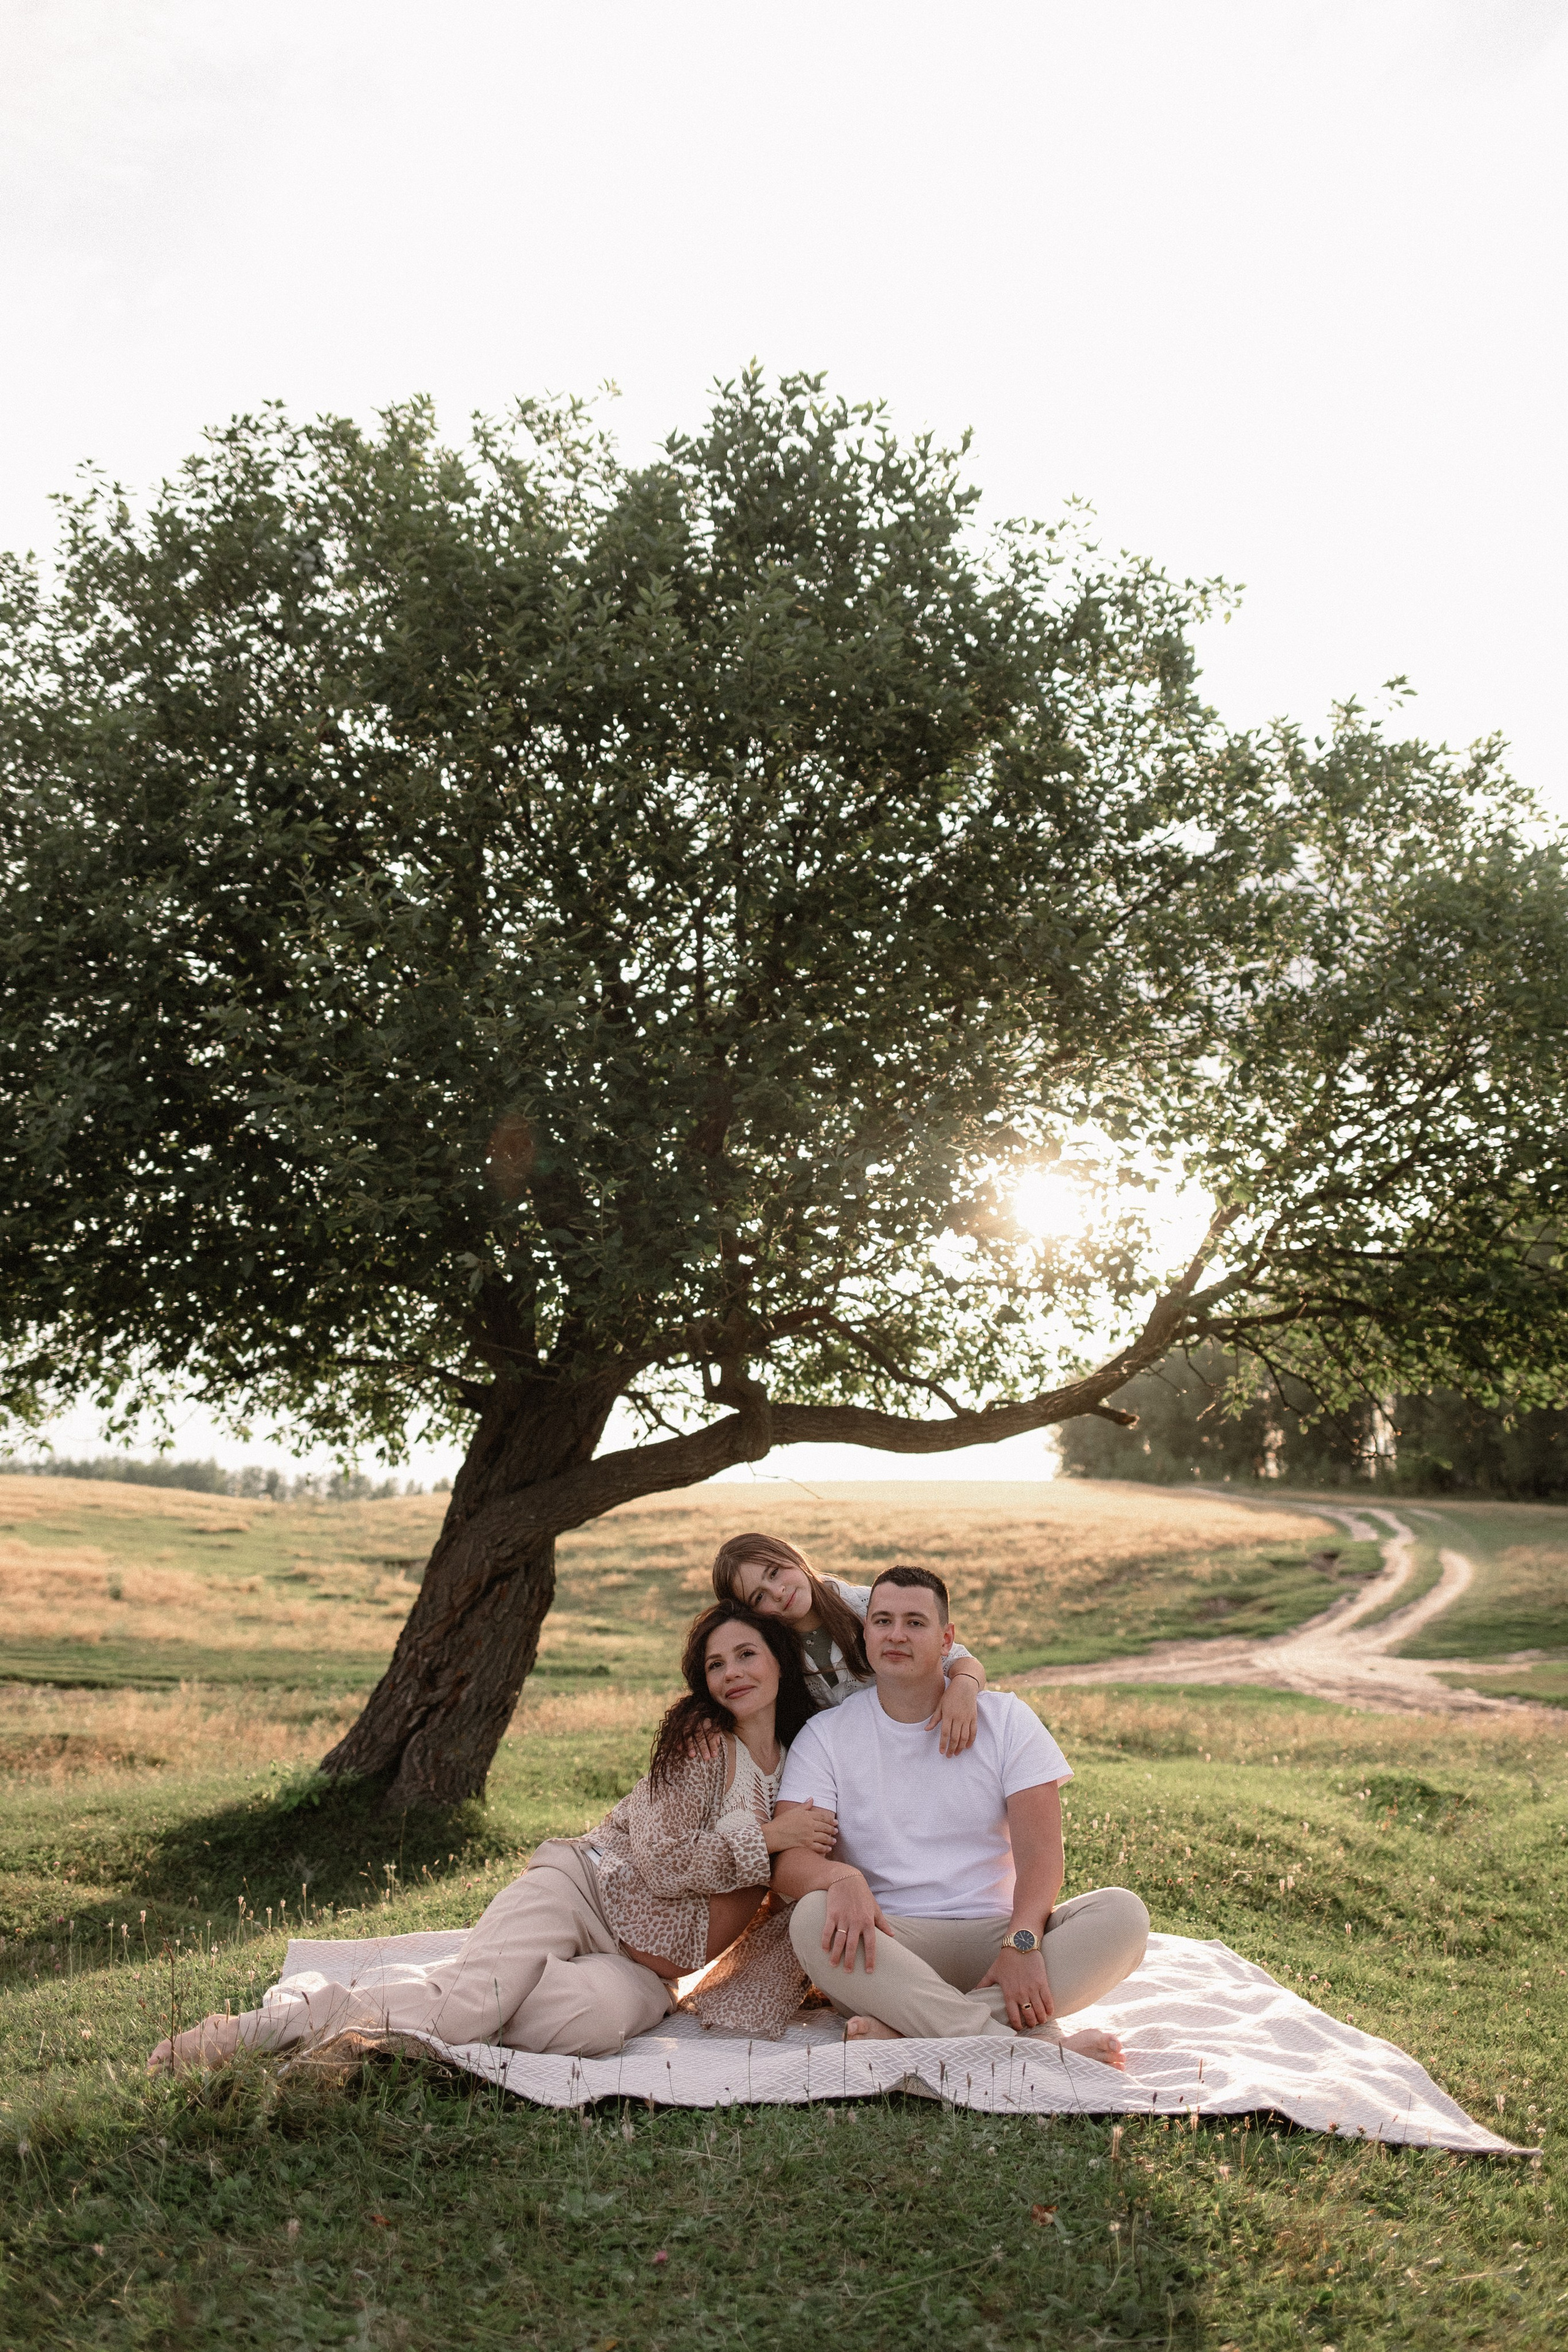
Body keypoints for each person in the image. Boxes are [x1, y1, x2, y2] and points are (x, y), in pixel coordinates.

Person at [149, 1603, 831, 2071]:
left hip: (645, 1969)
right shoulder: (703, 1741)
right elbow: (660, 1861)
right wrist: (768, 1838)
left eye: (747, 1654)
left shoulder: (799, 1763)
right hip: (586, 1890)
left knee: (580, 2028)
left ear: (778, 1660)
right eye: (717, 1664)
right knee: (474, 2007)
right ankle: (264, 2029)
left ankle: (439, 1989)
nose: (733, 1672)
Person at [770, 1566, 1148, 2064]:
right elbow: (790, 1865)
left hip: (995, 1938)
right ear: (865, 1635)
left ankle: (914, 2035)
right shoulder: (825, 1736)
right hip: (888, 1946)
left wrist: (1022, 1943)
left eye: (915, 1622)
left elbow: (1040, 1856)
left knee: (1123, 1916)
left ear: (948, 1639)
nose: (897, 1635)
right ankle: (1032, 2049)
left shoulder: (1007, 1720)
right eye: (882, 1621)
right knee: (811, 1918)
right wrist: (841, 1878)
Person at [711, 1531, 989, 1754]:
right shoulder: (764, 1651)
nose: (778, 1592)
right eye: (759, 1597)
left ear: (793, 1556)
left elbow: (956, 1657)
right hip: (842, 1768)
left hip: (917, 1744)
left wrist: (963, 1688)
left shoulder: (868, 1607)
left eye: (774, 1573)